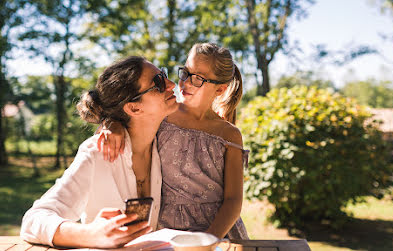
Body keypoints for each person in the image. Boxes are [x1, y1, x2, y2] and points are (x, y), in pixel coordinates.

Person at [20, 56, 179, 248]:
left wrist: (111, 122)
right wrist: (88, 234)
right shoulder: (97, 152)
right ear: (134, 107)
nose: (171, 84)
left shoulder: (169, 143)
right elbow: (33, 220)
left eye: (164, 75)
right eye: (158, 83)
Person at [98, 43, 249, 239]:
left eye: (197, 79)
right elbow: (130, 113)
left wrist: (208, 241)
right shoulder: (163, 114)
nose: (185, 82)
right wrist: (112, 124)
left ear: (220, 89)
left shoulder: (230, 135)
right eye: (185, 72)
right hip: (168, 231)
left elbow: (233, 200)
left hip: (218, 233)